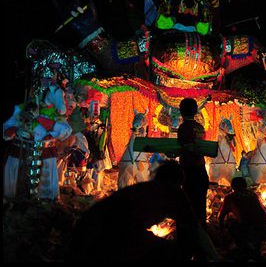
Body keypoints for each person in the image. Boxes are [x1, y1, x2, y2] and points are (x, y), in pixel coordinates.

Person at [67, 160, 222, 262]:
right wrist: (215, 256)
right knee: (170, 253)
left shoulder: (144, 188)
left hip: (88, 226)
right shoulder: (172, 191)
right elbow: (195, 229)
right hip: (107, 233)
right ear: (179, 181)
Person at [218, 177, 266, 261]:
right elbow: (263, 212)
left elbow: (221, 215)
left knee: (230, 221)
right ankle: (255, 248)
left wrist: (221, 229)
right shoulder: (253, 195)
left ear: (232, 186)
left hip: (249, 231)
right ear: (246, 186)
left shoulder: (230, 197)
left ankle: (243, 248)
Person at [177, 98, 209, 229]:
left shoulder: (184, 127)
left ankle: (191, 236)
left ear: (181, 111)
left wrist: (173, 154)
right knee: (200, 206)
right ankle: (202, 232)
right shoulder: (200, 127)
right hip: (201, 170)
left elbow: (184, 148)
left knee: (188, 205)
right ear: (196, 111)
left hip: (188, 172)